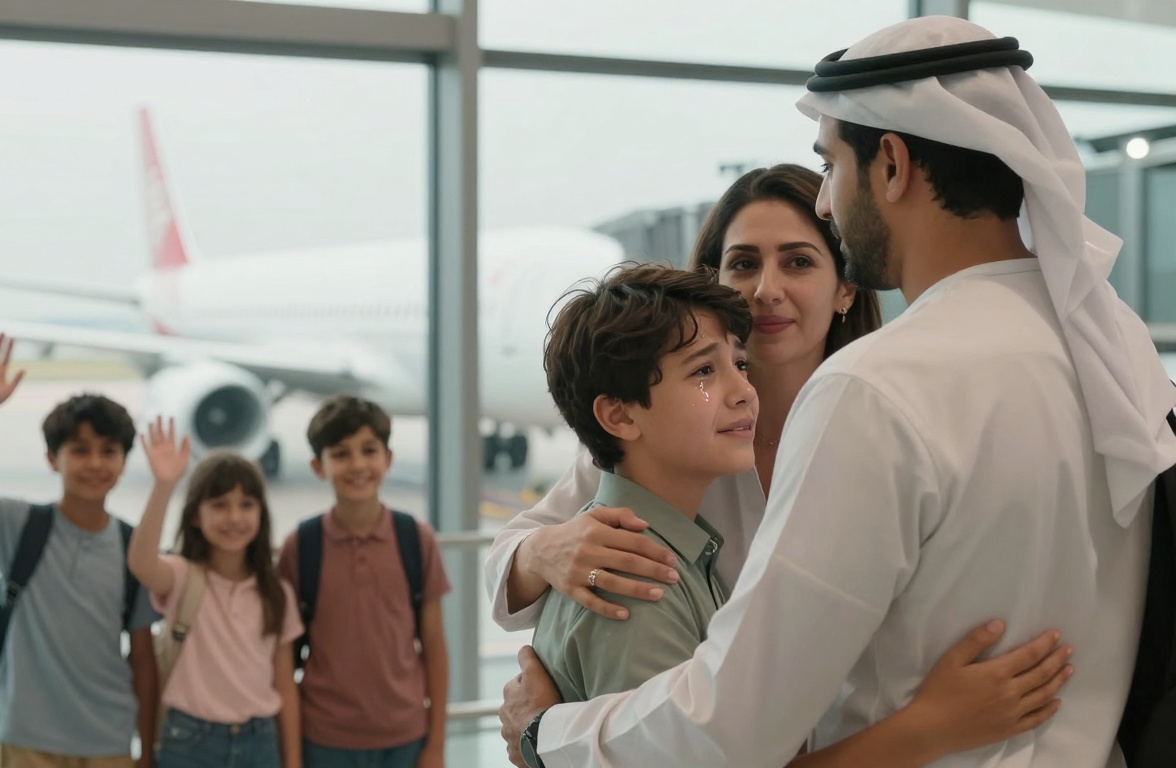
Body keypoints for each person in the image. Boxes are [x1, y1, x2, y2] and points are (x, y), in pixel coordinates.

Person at [500, 15, 1176, 768]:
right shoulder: (1111, 345)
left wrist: (548, 735)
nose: (825, 200)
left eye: (830, 166)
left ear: (891, 163)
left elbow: (731, 725)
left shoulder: (878, 387)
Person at [484, 164, 881, 629]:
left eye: (798, 262)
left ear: (846, 289)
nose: (767, 290)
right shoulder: (666, 436)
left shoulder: (883, 432)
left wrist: (557, 708)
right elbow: (504, 577)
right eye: (744, 264)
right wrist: (543, 553)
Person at [0, 334, 158, 768]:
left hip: (106, 737)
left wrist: (146, 748)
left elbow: (143, 659)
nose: (94, 464)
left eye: (109, 452)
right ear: (53, 459)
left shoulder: (134, 548)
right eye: (79, 450)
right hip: (27, 736)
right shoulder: (20, 525)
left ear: (125, 461)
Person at [531, 263, 757, 702]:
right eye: (704, 372)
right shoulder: (637, 577)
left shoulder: (676, 547)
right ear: (620, 415)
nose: (744, 390)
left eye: (740, 363)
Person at [278, 395, 451, 768]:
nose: (357, 464)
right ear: (317, 466)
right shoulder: (301, 547)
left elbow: (434, 646)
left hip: (405, 738)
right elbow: (283, 660)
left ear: (387, 458)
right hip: (323, 740)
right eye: (340, 454)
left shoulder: (416, 539)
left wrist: (435, 744)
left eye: (368, 450)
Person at [127, 424, 302, 768]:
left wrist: (293, 762)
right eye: (219, 505)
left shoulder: (276, 593)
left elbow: (285, 684)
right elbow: (141, 563)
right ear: (195, 514)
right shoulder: (181, 576)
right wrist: (164, 486)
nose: (234, 517)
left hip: (260, 741)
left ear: (261, 514)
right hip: (190, 742)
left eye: (247, 504)